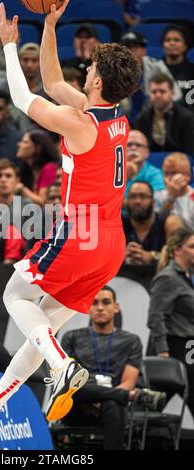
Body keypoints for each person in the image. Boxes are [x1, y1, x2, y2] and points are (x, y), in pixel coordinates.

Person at [0, 0, 141, 439]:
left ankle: (64, 367)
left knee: (15, 298)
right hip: (109, 245)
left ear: (99, 79)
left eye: (90, 67)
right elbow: (52, 81)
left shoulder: (80, 124)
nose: (84, 70)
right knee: (42, 330)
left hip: (80, 233)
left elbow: (22, 96)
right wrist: (50, 24)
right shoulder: (114, 120)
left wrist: (10, 47)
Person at [61, 286, 165, 450]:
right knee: (72, 388)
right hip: (77, 405)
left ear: (116, 307)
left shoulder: (131, 341)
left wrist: (103, 397)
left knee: (113, 403)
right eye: (94, 303)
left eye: (106, 302)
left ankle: (121, 396)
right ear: (88, 307)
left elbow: (129, 382)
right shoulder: (71, 337)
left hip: (111, 407)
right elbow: (67, 380)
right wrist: (115, 395)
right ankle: (129, 396)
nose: (100, 307)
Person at [148, 227, 194, 416]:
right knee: (153, 405)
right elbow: (155, 316)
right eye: (192, 246)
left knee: (156, 405)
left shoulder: (187, 278)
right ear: (177, 250)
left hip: (188, 347)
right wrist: (162, 352)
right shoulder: (168, 277)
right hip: (173, 348)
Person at [134, 73, 194, 156]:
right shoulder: (141, 119)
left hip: (179, 164)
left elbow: (190, 152)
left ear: (172, 93)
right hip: (148, 164)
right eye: (154, 92)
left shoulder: (187, 118)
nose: (158, 95)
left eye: (162, 91)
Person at [123, 181, 182, 265]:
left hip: (160, 276)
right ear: (126, 201)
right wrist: (121, 256)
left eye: (143, 197)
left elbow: (178, 257)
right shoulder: (118, 224)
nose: (137, 201)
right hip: (123, 276)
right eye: (133, 197)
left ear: (153, 202)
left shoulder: (169, 223)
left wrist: (151, 256)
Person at [15, 129, 59, 205]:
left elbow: (44, 201)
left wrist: (22, 189)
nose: (19, 144)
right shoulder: (27, 171)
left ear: (38, 148)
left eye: (25, 142)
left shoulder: (50, 168)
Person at [155, 152, 194, 229]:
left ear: (187, 176)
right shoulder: (158, 195)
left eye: (173, 173)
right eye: (166, 173)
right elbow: (156, 225)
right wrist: (171, 196)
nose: (168, 179)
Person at [162, 24, 194, 111]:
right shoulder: (155, 69)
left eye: (177, 40)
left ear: (185, 46)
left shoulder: (192, 71)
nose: (172, 43)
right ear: (163, 45)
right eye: (167, 40)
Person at [125, 130, 165, 197]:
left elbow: (155, 202)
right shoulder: (111, 171)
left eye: (138, 145)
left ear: (147, 152)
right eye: (129, 145)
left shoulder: (155, 174)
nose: (133, 148)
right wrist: (125, 176)